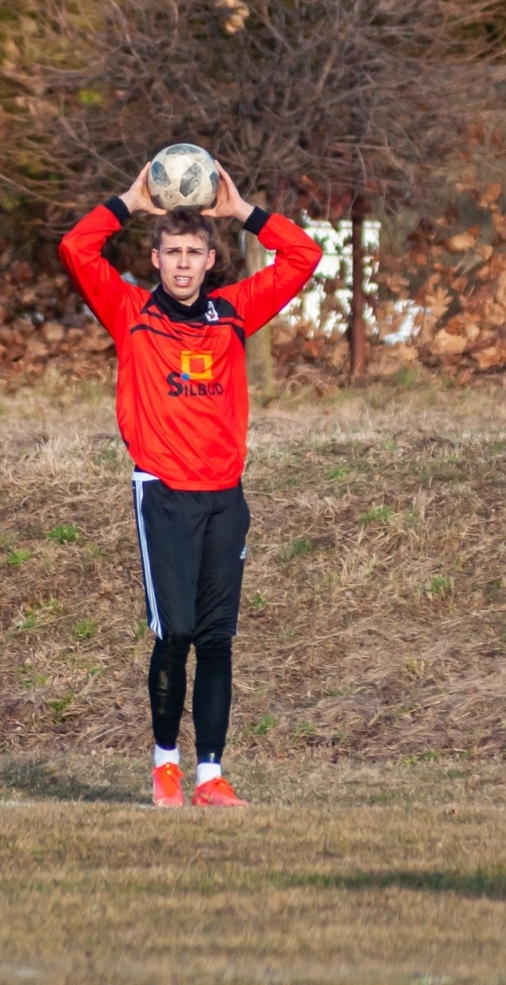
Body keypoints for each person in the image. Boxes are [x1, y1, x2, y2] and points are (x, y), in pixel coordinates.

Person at [59, 162, 323, 808]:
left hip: (225, 498)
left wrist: (243, 212)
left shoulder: (233, 312)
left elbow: (304, 256)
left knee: (216, 639)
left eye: (193, 253)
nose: (182, 264)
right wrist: (128, 202)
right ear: (155, 259)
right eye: (172, 253)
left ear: (210, 260)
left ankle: (210, 776)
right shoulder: (129, 311)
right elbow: (75, 248)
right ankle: (165, 765)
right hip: (165, 492)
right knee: (174, 633)